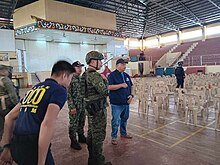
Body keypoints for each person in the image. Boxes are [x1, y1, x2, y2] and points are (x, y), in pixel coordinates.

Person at [0, 60, 74, 165]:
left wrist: (7, 148)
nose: (69, 83)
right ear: (64, 75)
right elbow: (47, 125)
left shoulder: (35, 88)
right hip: (33, 144)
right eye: (70, 78)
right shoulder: (59, 90)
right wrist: (41, 162)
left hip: (16, 144)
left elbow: (9, 117)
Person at [81, 51, 111, 165]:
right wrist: (104, 80)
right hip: (98, 110)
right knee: (98, 135)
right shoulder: (94, 75)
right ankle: (99, 161)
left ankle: (92, 159)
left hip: (91, 108)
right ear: (93, 61)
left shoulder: (85, 74)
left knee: (91, 134)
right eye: (100, 61)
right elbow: (104, 91)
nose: (101, 63)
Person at [108, 59, 134, 145]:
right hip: (116, 103)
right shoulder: (112, 75)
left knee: (125, 119)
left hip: (126, 102)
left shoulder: (126, 75)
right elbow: (109, 87)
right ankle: (114, 137)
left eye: (125, 65)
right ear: (118, 65)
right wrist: (121, 85)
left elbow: (131, 86)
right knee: (116, 120)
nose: (125, 66)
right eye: (123, 65)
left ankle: (123, 133)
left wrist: (131, 95)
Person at [68, 61, 86, 150]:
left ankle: (81, 137)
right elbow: (68, 94)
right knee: (73, 124)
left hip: (82, 105)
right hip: (75, 106)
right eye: (78, 67)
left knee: (81, 122)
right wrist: (71, 107)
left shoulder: (81, 78)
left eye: (81, 67)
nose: (80, 69)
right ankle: (73, 141)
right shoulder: (70, 79)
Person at [0, 65, 18, 149]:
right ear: (2, 72)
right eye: (7, 71)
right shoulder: (5, 80)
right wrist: (17, 106)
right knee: (9, 126)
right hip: (5, 106)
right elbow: (13, 95)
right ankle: (10, 147)